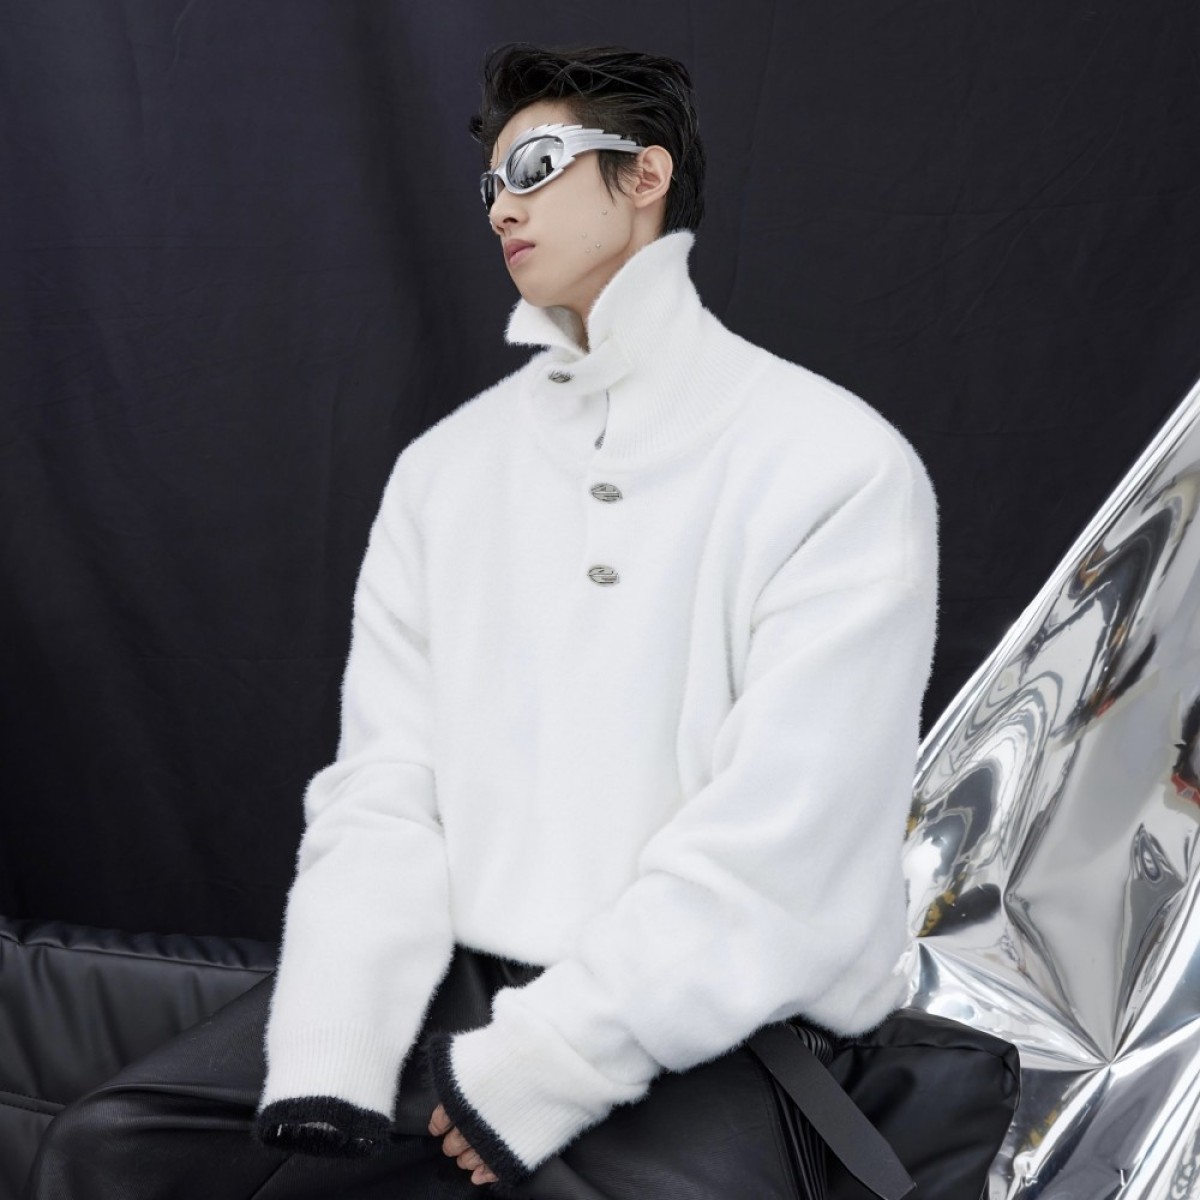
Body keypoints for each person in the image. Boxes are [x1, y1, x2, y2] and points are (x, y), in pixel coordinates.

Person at [23, 41, 939, 1200]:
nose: (503, 207)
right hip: (458, 982)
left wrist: (548, 1063)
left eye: (537, 167)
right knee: (112, 1150)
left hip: (727, 1026)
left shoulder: (837, 464)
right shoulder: (445, 472)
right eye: (492, 184)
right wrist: (336, 1055)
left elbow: (783, 844)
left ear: (645, 175)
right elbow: (383, 791)